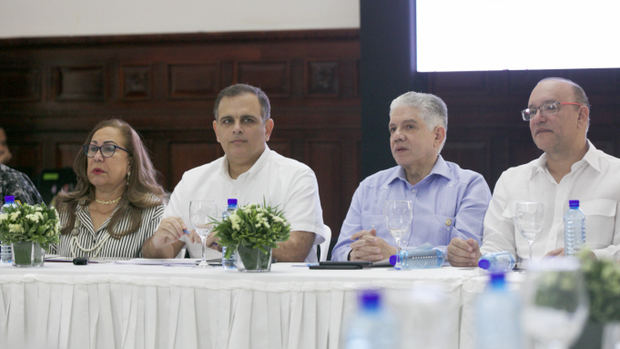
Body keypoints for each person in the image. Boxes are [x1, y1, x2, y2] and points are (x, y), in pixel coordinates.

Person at [142, 83, 330, 262]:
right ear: (217, 131)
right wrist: (158, 242)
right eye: (228, 121)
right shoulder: (192, 180)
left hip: (275, 292)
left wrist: (237, 241)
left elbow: (296, 250)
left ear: (268, 129)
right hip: (207, 292)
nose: (237, 128)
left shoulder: (296, 176)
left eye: (247, 120)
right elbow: (162, 253)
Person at [448, 77, 620, 266]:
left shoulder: (615, 175)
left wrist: (591, 259)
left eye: (551, 107)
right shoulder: (511, 180)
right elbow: (498, 250)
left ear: (581, 115)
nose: (538, 118)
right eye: (532, 111)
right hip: (524, 291)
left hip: (595, 292)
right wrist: (476, 257)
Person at [331, 91, 491, 262]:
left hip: (435, 287)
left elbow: (464, 254)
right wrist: (354, 254)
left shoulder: (469, 186)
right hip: (374, 285)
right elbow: (340, 251)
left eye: (409, 127)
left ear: (437, 136)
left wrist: (397, 256)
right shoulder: (370, 187)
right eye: (393, 129)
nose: (397, 136)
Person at [53, 119, 165, 258]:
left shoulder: (152, 212)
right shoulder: (63, 208)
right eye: (93, 149)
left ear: (130, 162)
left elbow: (161, 273)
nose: (97, 157)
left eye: (108, 149)